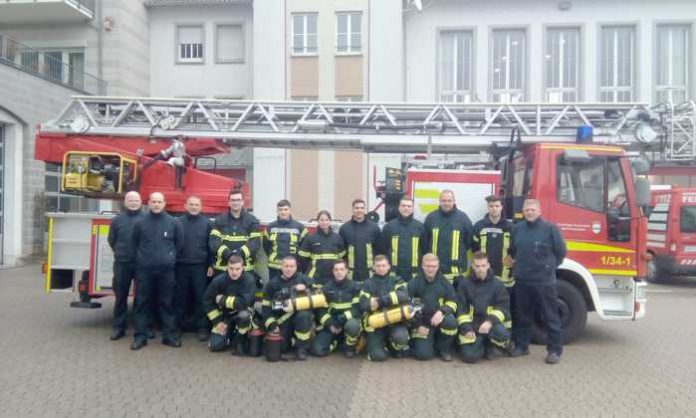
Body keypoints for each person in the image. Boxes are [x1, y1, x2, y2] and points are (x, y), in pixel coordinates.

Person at [508, 199, 567, 364]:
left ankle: (554, 351)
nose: (529, 212)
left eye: (532, 209)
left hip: (544, 282)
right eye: (527, 210)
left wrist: (549, 268)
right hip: (522, 280)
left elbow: (561, 252)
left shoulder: (550, 229)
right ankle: (522, 346)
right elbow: (513, 250)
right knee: (522, 315)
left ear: (539, 211)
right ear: (523, 212)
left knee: (550, 316)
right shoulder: (517, 229)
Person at [130, 192, 184, 350]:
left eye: (159, 202)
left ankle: (169, 336)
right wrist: (142, 259)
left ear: (164, 203)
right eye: (153, 201)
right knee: (142, 303)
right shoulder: (139, 223)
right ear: (149, 203)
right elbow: (134, 244)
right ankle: (140, 337)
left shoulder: (173, 223)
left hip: (166, 271)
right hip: (144, 271)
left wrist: (169, 258)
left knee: (167, 303)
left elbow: (179, 245)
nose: (156, 204)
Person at [456, 251, 511, 363]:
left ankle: (491, 344)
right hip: (473, 326)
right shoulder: (464, 284)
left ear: (488, 265)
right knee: (469, 357)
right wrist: (467, 329)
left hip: (490, 325)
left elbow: (503, 308)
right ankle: (483, 345)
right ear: (472, 266)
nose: (480, 269)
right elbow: (461, 309)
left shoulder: (497, 284)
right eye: (477, 266)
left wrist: (489, 322)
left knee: (501, 334)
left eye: (483, 265)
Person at [262, 256, 315, 360]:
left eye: (292, 266)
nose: (289, 269)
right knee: (282, 348)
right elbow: (266, 307)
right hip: (283, 319)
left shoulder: (304, 280)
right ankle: (292, 341)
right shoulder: (272, 284)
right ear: (281, 267)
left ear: (296, 267)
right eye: (286, 266)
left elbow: (317, 297)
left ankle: (301, 348)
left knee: (304, 316)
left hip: (300, 318)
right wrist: (272, 325)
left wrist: (307, 289)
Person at [407, 253, 458, 361]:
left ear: (438, 266)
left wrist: (442, 312)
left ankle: (443, 349)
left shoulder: (444, 282)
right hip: (423, 322)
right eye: (428, 266)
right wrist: (418, 326)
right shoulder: (414, 283)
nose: (431, 269)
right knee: (423, 355)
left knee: (451, 322)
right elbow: (410, 308)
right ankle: (427, 344)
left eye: (434, 266)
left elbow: (453, 301)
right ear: (423, 266)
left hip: (439, 319)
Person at [202, 255, 256, 355]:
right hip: (224, 315)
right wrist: (217, 322)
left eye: (237, 269)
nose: (234, 272)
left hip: (242, 313)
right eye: (231, 268)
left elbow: (244, 303)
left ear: (243, 268)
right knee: (215, 346)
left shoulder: (249, 280)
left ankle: (240, 340)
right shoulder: (218, 281)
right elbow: (207, 301)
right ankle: (229, 335)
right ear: (227, 267)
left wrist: (223, 300)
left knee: (244, 316)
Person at [107, 191, 143, 341]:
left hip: (142, 264)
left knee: (141, 298)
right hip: (123, 263)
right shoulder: (117, 220)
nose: (133, 203)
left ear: (141, 202)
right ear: (125, 202)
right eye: (131, 200)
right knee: (120, 296)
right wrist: (121, 252)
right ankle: (118, 327)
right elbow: (112, 240)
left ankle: (141, 328)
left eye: (136, 200)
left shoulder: (146, 219)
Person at [359, 255, 410, 361]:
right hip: (376, 324)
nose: (381, 268)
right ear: (373, 267)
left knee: (401, 339)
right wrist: (369, 304)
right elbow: (362, 304)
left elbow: (403, 295)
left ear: (388, 267)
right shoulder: (368, 283)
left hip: (395, 321)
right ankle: (381, 347)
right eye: (378, 266)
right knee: (377, 356)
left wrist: (381, 301)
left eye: (383, 265)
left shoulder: (396, 280)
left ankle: (394, 348)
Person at [311, 259, 362, 358]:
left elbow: (357, 309)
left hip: (348, 321)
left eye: (342, 269)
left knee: (353, 326)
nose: (339, 272)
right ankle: (337, 343)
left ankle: (349, 347)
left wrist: (342, 318)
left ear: (347, 271)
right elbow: (321, 311)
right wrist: (329, 324)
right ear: (333, 271)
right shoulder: (326, 289)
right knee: (316, 350)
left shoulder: (355, 287)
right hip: (332, 324)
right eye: (336, 270)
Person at [424, 190, 474, 283]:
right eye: (444, 200)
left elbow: (468, 242)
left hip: (457, 275)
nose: (446, 203)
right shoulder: (431, 218)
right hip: (435, 272)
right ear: (440, 201)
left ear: (454, 201)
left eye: (449, 200)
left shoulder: (463, 218)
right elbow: (425, 242)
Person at [209, 189, 261, 275]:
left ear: (243, 202)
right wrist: (228, 254)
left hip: (245, 269)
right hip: (222, 269)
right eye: (233, 200)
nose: (235, 202)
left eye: (238, 200)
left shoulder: (252, 220)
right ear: (229, 202)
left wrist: (239, 254)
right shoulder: (219, 220)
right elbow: (214, 243)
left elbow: (255, 243)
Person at [471, 195, 514, 287]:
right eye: (491, 206)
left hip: (504, 275)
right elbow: (475, 249)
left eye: (497, 206)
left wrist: (512, 258)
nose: (494, 209)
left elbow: (516, 247)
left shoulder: (511, 227)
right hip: (483, 273)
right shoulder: (479, 226)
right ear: (488, 207)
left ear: (501, 207)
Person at [382, 197, 427, 281]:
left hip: (414, 275)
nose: (406, 208)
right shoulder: (389, 227)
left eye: (409, 206)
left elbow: (424, 250)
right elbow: (383, 249)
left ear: (413, 209)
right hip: (393, 274)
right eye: (403, 206)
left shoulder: (420, 227)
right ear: (399, 208)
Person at [339, 199, 384, 282]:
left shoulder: (374, 228)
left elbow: (380, 251)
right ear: (352, 209)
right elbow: (341, 253)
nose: (359, 210)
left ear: (364, 209)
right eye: (356, 208)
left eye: (361, 208)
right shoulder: (344, 229)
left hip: (370, 275)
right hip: (350, 276)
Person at [298, 210, 345, 287]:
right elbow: (303, 259)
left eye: (326, 220)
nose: (324, 222)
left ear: (330, 221)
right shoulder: (311, 238)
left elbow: (342, 258)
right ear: (318, 221)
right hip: (314, 278)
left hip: (332, 277)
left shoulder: (337, 238)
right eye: (321, 220)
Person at [263, 199, 308, 280]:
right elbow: (266, 246)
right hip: (274, 268)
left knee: (292, 291)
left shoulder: (300, 227)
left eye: (285, 209)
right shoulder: (270, 227)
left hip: (292, 268)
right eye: (280, 210)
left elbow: (304, 248)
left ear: (290, 210)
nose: (283, 212)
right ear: (277, 211)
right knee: (274, 291)